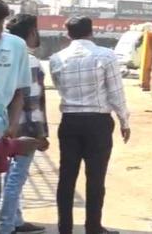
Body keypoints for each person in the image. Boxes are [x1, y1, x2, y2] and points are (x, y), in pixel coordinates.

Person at [49, 17, 130, 234]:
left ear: (68, 34)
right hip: (98, 123)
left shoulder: (57, 59)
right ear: (91, 32)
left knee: (66, 177)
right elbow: (116, 92)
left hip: (70, 121)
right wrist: (124, 120)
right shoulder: (106, 56)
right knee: (96, 178)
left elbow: (59, 87)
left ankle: (64, 228)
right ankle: (93, 227)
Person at [0, 0, 38, 234]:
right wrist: (16, 145)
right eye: (0, 25)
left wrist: (13, 125)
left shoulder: (15, 47)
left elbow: (20, 93)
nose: (1, 32)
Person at [0, 15, 48, 234]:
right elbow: (31, 102)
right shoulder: (30, 61)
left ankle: (15, 220)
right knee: (16, 178)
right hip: (24, 129)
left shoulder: (3, 56)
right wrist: (40, 134)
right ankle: (7, 226)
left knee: (9, 176)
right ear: (30, 33)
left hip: (4, 125)